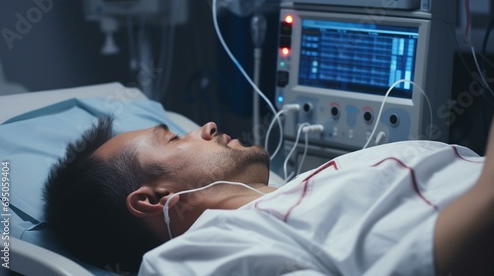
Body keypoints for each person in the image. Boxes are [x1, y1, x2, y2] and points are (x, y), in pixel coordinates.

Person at [43, 114, 494, 275]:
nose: (206, 127)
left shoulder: (302, 187)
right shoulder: (193, 259)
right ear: (151, 200)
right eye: (174, 140)